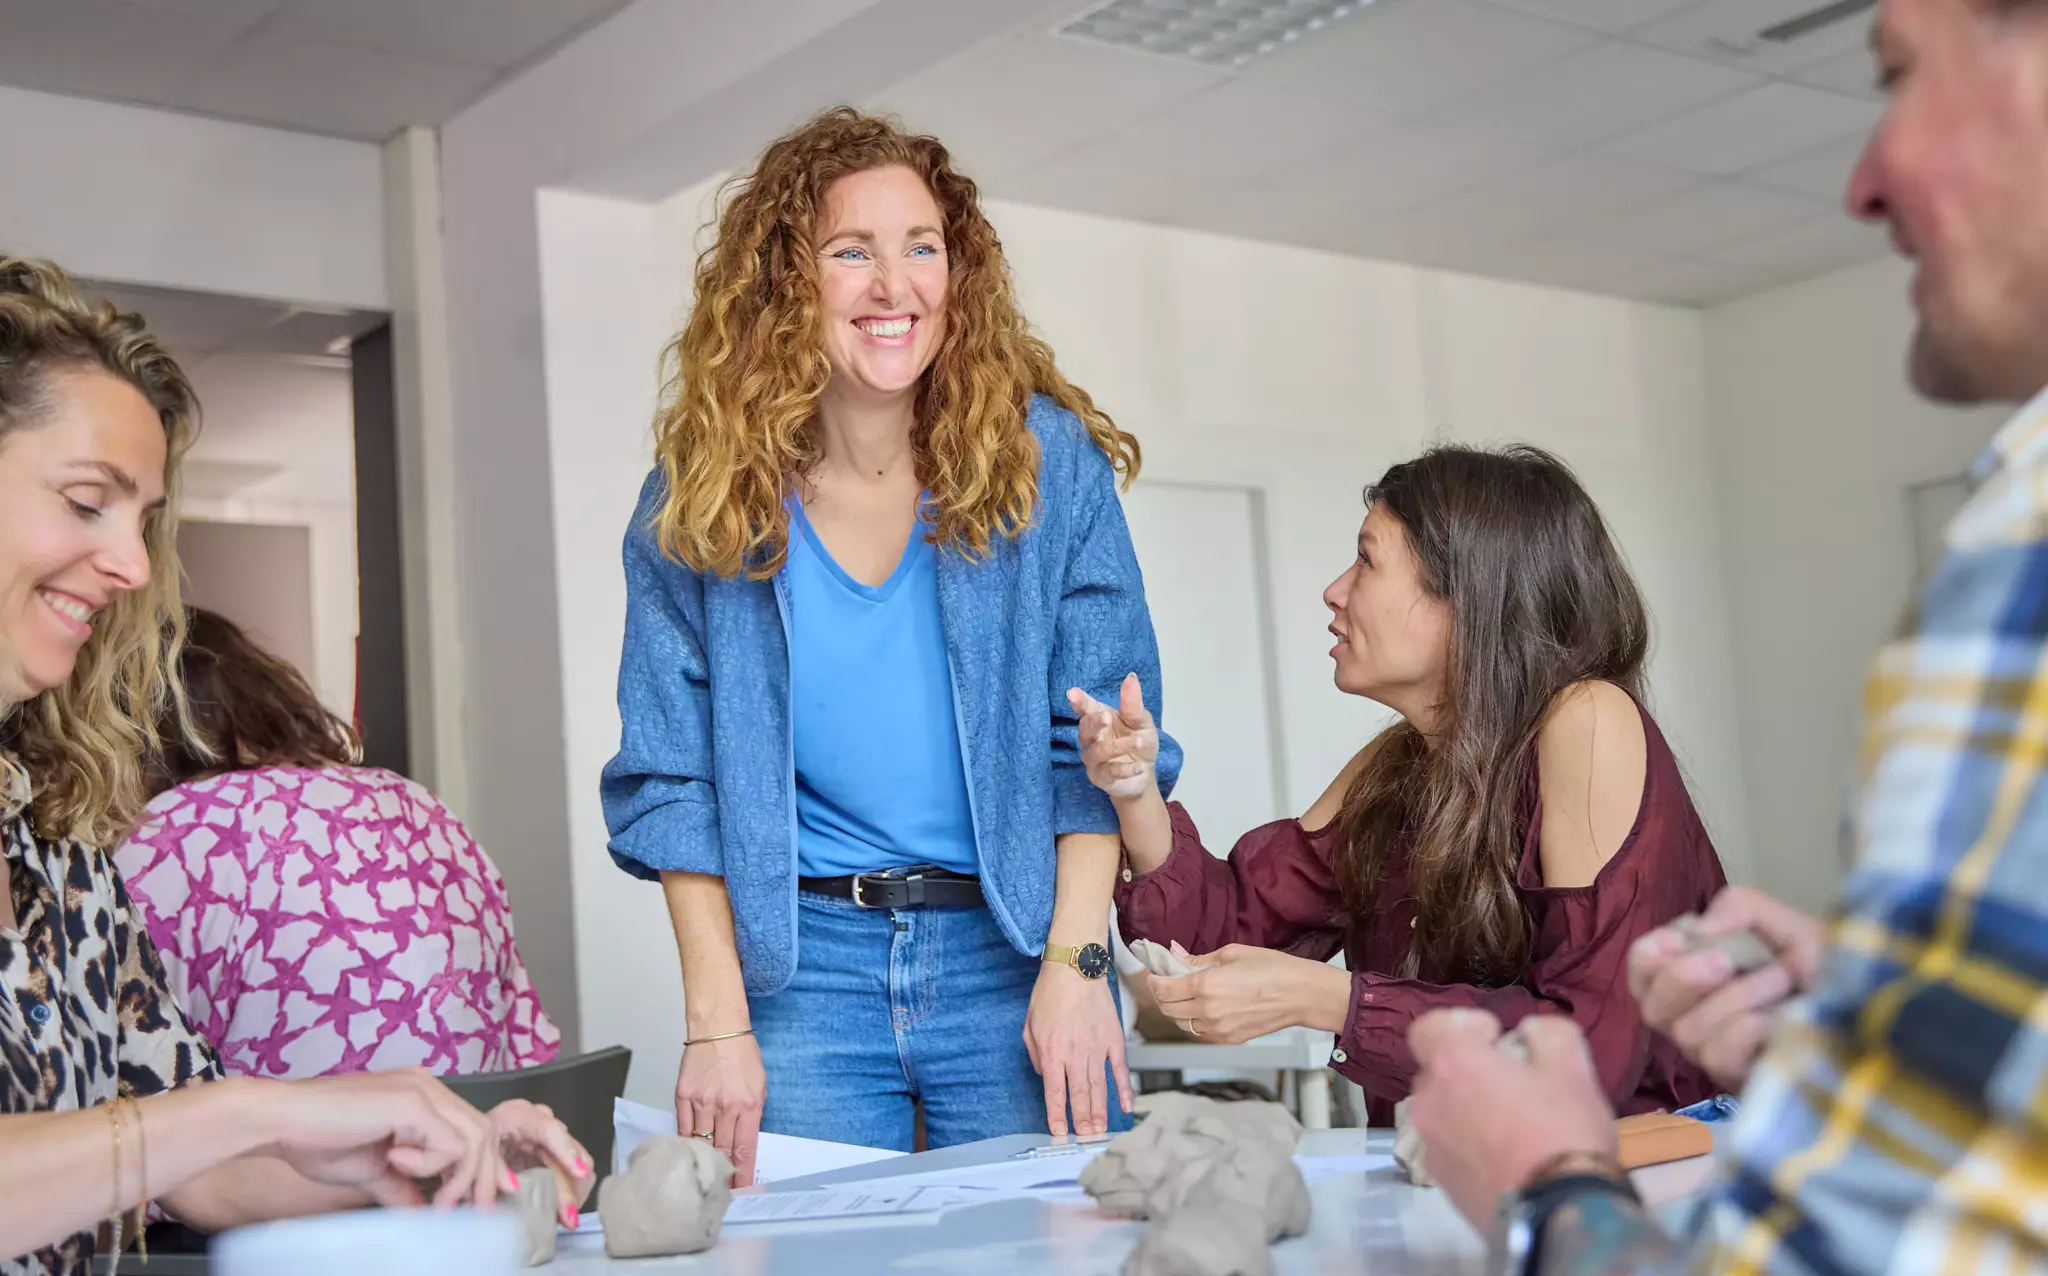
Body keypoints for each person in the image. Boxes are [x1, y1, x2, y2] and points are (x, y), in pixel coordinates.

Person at [1405, 1, 2048, 1276]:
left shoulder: (2020, 556)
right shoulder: (1397, 770)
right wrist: (1887, 1028)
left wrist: (1544, 1197)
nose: (1864, 177)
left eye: (1899, 76)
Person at [0, 255, 591, 1276]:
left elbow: (196, 1170)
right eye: (88, 502)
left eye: (143, 520)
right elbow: (189, 1131)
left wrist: (414, 1155)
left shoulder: (61, 842)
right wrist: (249, 1107)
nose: (133, 565)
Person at [601, 107, 1178, 1180]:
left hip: (1016, 951)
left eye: (920, 247)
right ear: (785, 281)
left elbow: (1091, 748)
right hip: (802, 973)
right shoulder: (699, 498)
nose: (893, 285)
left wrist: (1077, 964)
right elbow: (673, 783)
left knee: (1060, 1261)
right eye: (850, 252)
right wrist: (716, 1023)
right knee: (812, 1275)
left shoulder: (1047, 463)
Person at [1075, 443, 1720, 1123]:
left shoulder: (1587, 719)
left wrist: (1328, 999)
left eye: (1367, 560)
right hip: (1469, 1160)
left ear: (1466, 594)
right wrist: (1135, 792)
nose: (1334, 590)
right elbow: (1219, 936)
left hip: (1640, 1164)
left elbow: (1589, 1051)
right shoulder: (1397, 763)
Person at [117, 607, 561, 1079]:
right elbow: (527, 1051)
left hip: (299, 1129)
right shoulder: (415, 801)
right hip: (474, 1122)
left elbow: (116, 1074)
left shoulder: (167, 835)